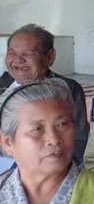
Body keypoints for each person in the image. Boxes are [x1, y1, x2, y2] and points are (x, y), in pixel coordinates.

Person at [2, 24, 89, 165]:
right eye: (12, 53)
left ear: (50, 57)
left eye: (28, 53)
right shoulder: (3, 84)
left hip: (47, 164)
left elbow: (79, 141)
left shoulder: (67, 90)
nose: (18, 59)